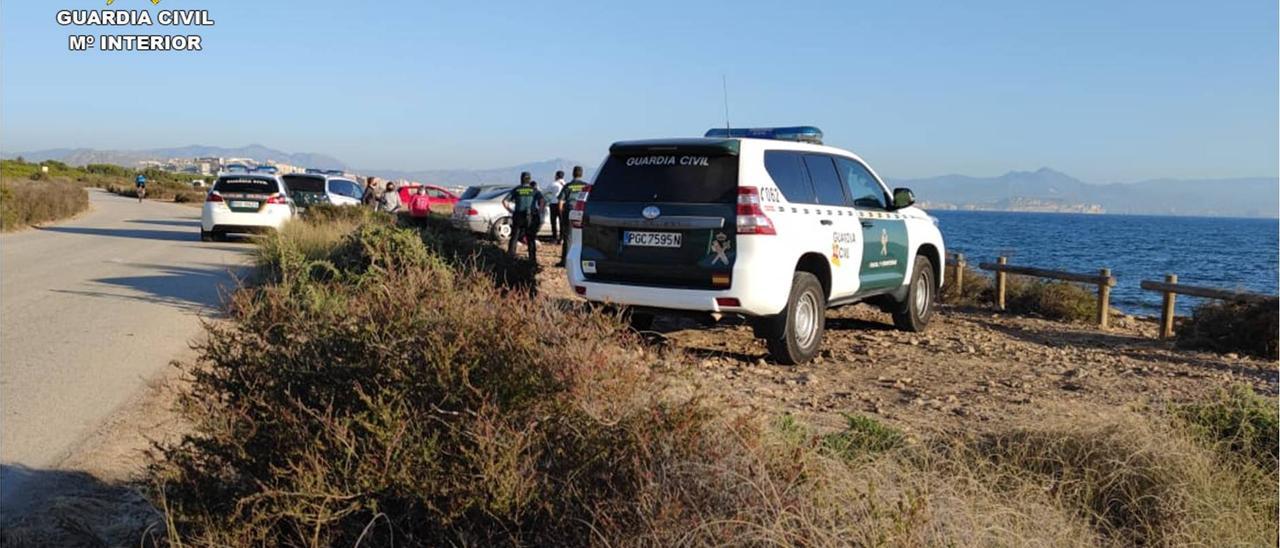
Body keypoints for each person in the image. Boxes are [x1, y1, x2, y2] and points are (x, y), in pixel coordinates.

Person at [503, 172, 546, 261]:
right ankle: (532, 257)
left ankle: (511, 255)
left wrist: (511, 210)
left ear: (521, 179)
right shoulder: (534, 190)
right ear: (529, 179)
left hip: (518, 215)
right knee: (531, 237)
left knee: (515, 236)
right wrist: (540, 211)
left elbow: (505, 201)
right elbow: (542, 200)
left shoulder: (516, 190)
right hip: (531, 216)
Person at [557, 165, 590, 267]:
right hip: (582, 211)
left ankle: (565, 261)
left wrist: (561, 214)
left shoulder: (568, 186)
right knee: (584, 236)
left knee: (568, 236)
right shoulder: (586, 186)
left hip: (569, 211)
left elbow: (561, 202)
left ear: (573, 174)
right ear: (582, 174)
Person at [544, 170, 566, 242]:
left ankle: (554, 237)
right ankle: (562, 238)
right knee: (562, 221)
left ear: (556, 176)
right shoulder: (565, 184)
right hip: (563, 204)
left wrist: (549, 198)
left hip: (553, 204)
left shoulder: (553, 184)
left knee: (553, 222)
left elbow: (545, 192)